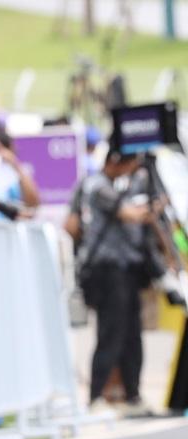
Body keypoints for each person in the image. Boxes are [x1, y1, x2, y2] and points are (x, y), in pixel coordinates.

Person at [77, 148, 156, 417]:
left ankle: (132, 395)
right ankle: (96, 395)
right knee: (110, 333)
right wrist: (148, 207)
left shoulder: (126, 185)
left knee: (132, 334)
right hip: (106, 270)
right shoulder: (97, 186)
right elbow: (130, 214)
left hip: (129, 269)